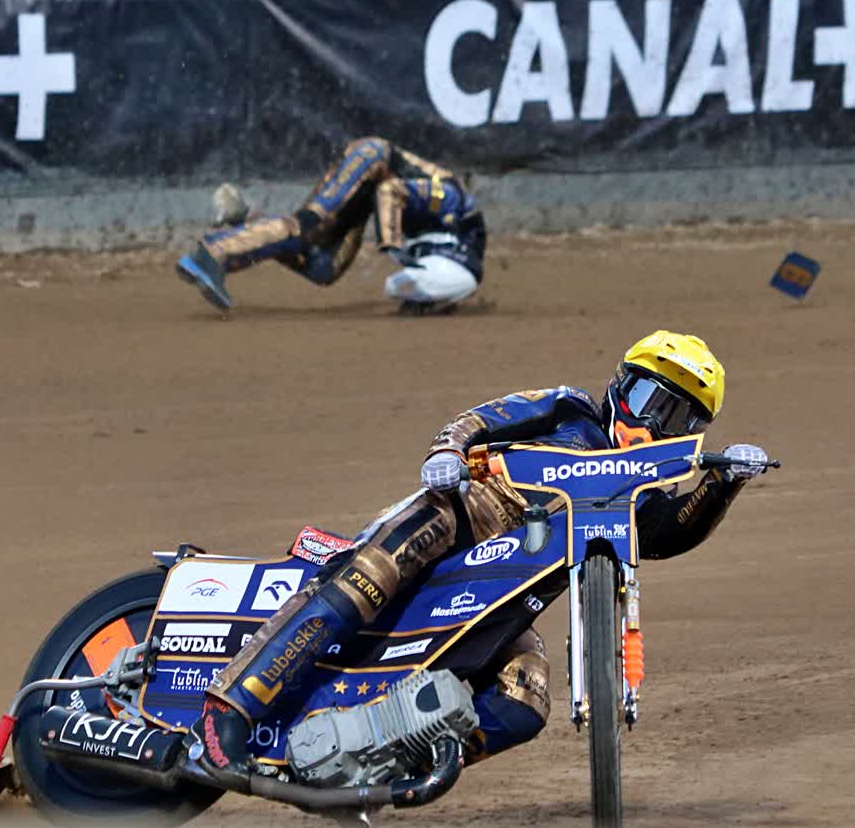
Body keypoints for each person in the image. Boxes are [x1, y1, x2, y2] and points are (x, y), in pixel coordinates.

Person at [188, 330, 772, 774]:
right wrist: (447, 453)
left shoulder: (642, 494)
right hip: (460, 518)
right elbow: (481, 419)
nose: (654, 424)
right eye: (650, 399)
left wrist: (724, 483)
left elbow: (671, 534)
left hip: (505, 598)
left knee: (527, 698)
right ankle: (229, 710)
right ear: (621, 385)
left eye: (679, 418)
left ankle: (382, 764)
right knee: (369, 576)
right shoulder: (569, 408)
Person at [175, 137, 485, 316]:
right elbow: (391, 191)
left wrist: (428, 300)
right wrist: (391, 243)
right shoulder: (452, 199)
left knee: (324, 268)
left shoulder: (443, 234)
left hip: (368, 194)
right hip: (371, 161)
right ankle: (212, 253)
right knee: (308, 226)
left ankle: (246, 219)